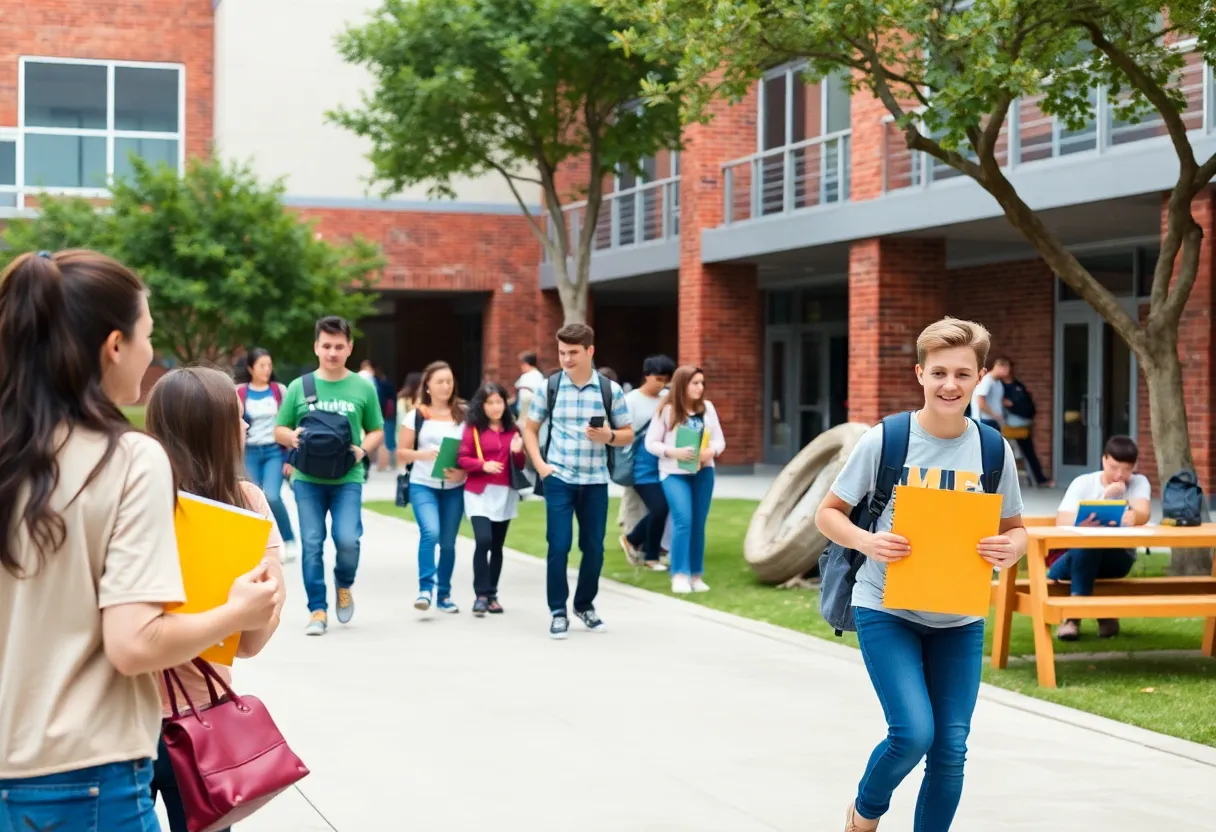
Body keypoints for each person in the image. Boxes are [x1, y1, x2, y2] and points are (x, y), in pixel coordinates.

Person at [0, 250, 277, 830]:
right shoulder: (127, 459)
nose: (152, 356)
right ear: (114, 345)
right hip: (87, 773)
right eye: (148, 336)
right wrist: (236, 610)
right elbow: (134, 643)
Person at [815, 317, 1026, 832]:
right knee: (912, 732)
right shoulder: (886, 439)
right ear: (920, 374)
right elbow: (829, 513)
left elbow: (1018, 530)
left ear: (979, 378)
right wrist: (867, 541)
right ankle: (865, 812)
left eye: (961, 373)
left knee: (951, 747)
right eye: (938, 373)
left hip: (958, 615)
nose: (949, 384)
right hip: (886, 607)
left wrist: (1008, 548)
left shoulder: (994, 450)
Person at [145, 367, 286, 832]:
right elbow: (249, 641)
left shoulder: (126, 498)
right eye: (238, 418)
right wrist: (258, 600)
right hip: (200, 717)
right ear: (214, 430)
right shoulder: (245, 503)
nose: (246, 428)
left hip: (124, 717)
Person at [523, 323, 634, 639]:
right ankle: (558, 611)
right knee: (558, 546)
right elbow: (530, 429)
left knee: (594, 548)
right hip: (558, 478)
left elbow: (627, 434)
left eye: (573, 352)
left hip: (596, 480)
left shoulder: (609, 390)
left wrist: (608, 435)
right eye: (562, 352)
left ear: (590, 351)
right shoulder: (550, 387)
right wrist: (542, 466)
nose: (566, 359)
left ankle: (584, 605)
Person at [275, 316, 384, 636]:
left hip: (347, 477)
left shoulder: (363, 387)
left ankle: (344, 583)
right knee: (312, 543)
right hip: (307, 479)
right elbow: (279, 429)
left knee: (347, 540)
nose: (332, 352)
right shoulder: (300, 386)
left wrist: (362, 450)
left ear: (350, 348)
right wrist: (291, 437)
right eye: (326, 346)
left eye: (339, 346)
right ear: (316, 347)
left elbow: (376, 429)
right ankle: (317, 609)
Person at [1050, 434, 1151, 641]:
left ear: (1134, 467)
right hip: (1083, 553)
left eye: (1126, 470)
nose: (1119, 475)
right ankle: (1104, 616)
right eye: (1114, 467)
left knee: (1060, 571)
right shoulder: (1084, 483)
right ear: (1104, 459)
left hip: (1119, 558)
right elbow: (1062, 519)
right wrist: (1102, 499)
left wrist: (1127, 507)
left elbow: (1144, 513)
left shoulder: (1139, 482)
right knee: (1087, 548)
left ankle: (1072, 618)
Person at [646, 366, 726, 593]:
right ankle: (679, 573)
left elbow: (720, 441)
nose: (700, 388)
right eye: (695, 383)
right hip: (674, 473)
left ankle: (696, 574)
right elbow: (651, 443)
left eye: (702, 383)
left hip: (703, 472)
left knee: (698, 524)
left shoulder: (707, 409)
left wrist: (711, 452)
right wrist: (674, 452)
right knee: (683, 520)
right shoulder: (667, 410)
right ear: (683, 384)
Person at [399, 361, 468, 614]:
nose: (446, 386)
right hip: (423, 485)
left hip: (455, 486)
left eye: (449, 381)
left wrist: (462, 470)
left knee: (448, 543)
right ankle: (425, 589)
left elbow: (472, 450)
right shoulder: (416, 415)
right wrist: (425, 454)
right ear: (427, 385)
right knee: (431, 532)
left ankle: (444, 595)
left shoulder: (464, 413)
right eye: (440, 381)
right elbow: (402, 453)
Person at [458, 382, 527, 616]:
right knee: (484, 540)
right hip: (478, 492)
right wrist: (482, 464)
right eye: (490, 402)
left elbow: (519, 466)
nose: (496, 407)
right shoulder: (473, 429)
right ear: (482, 405)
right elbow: (462, 458)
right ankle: (480, 595)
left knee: (497, 545)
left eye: (499, 401)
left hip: (504, 493)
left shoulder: (513, 429)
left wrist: (518, 452)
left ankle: (492, 595)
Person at [237, 346, 298, 562]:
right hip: (250, 452)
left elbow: (290, 423)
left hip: (274, 451)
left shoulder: (279, 390)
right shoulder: (240, 392)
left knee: (272, 495)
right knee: (251, 498)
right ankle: (258, 546)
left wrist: (291, 458)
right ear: (250, 368)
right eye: (262, 366)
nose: (266, 370)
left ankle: (288, 540)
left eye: (269, 365)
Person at [620, 355, 675, 570]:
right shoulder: (631, 401)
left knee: (661, 508)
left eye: (666, 380)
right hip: (641, 467)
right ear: (646, 376)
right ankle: (634, 540)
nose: (662, 384)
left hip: (664, 464)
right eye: (658, 379)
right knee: (660, 507)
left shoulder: (667, 397)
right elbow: (623, 433)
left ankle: (650, 555)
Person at [997, 358, 1053, 487]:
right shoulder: (999, 386)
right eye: (1006, 367)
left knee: (1028, 452)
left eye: (1010, 368)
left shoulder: (1018, 384)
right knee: (1006, 454)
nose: (1009, 371)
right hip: (1008, 424)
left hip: (1023, 423)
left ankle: (1039, 479)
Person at [970, 356, 1006, 430]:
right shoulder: (986, 381)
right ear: (999, 366)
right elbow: (980, 402)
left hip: (993, 420)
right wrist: (996, 416)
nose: (1008, 372)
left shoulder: (998, 382)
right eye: (1007, 368)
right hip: (984, 420)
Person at [512, 350, 545, 418]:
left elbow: (518, 388)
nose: (521, 367)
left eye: (521, 364)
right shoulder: (540, 376)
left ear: (526, 364)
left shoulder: (527, 376)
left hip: (526, 408)